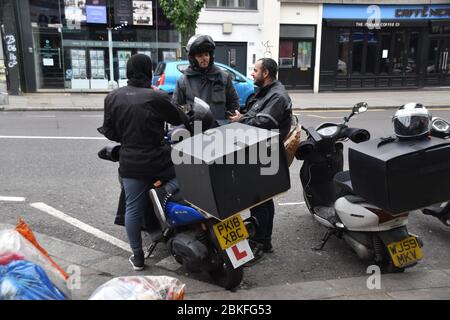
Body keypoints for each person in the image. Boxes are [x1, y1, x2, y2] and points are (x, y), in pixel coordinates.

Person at [99, 54, 189, 271]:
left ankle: (138, 259)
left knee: (132, 209)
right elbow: (178, 119)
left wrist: (127, 138)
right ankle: (163, 191)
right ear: (149, 71)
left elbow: (109, 130)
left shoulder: (112, 97)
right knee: (185, 178)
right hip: (159, 161)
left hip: (131, 162)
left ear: (128, 72)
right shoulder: (155, 96)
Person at [230, 58, 293, 261]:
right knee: (262, 199)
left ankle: (258, 242)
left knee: (259, 199)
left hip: (267, 153)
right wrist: (244, 115)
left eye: (255, 70)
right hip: (259, 150)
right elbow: (256, 114)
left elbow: (265, 123)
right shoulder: (267, 92)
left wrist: (242, 119)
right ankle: (264, 241)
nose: (252, 74)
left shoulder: (277, 96)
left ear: (265, 73)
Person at [173, 34, 239, 127]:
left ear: (211, 56)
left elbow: (233, 102)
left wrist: (227, 121)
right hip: (196, 129)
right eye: (200, 55)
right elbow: (178, 105)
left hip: (220, 130)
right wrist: (191, 112)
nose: (204, 58)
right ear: (192, 58)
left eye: (206, 54)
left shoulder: (224, 77)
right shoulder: (184, 80)